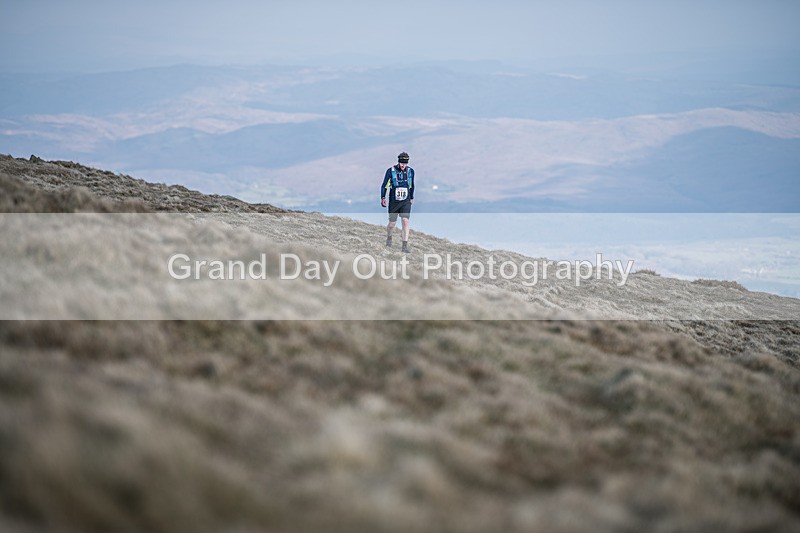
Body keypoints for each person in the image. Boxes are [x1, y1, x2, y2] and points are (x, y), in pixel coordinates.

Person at [380, 152, 415, 253]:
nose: (403, 165)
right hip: (394, 201)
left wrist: (412, 197)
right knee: (392, 224)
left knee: (405, 221)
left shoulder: (411, 172)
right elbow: (384, 185)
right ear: (398, 162)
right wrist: (383, 197)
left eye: (405, 163)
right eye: (402, 163)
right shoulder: (390, 171)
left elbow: (412, 185)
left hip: (406, 200)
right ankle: (389, 237)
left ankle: (404, 246)